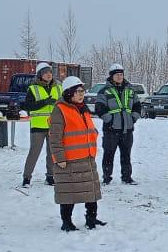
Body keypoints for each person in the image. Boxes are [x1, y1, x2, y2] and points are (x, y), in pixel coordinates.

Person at [49, 76, 104, 231]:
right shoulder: (60, 109)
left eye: (82, 91)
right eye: (78, 91)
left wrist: (93, 134)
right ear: (69, 93)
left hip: (87, 158)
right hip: (69, 160)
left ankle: (91, 219)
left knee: (91, 192)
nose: (81, 94)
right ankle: (66, 222)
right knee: (68, 193)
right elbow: (55, 136)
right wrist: (59, 158)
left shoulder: (83, 108)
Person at [94, 63, 140, 185]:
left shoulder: (130, 90)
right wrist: (109, 120)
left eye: (121, 74)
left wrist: (133, 118)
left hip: (127, 129)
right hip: (111, 129)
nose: (119, 77)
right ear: (111, 76)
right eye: (117, 75)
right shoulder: (104, 91)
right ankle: (107, 178)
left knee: (126, 155)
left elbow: (137, 106)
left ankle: (127, 177)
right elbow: (99, 108)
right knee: (109, 154)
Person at [22, 62, 60, 187]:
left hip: (54, 126)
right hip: (38, 126)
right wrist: (45, 102)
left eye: (50, 72)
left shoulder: (58, 88)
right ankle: (26, 178)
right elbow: (28, 106)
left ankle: (50, 176)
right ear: (40, 75)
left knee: (52, 153)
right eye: (45, 73)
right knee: (34, 152)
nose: (49, 75)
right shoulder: (33, 88)